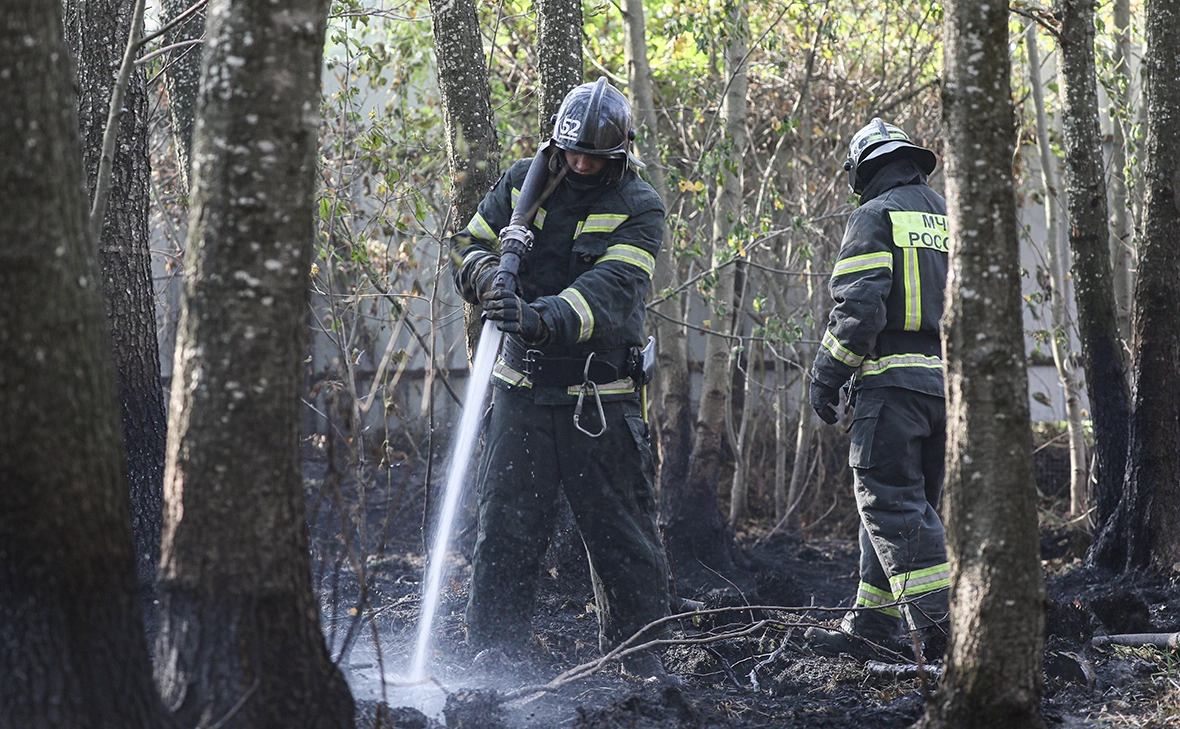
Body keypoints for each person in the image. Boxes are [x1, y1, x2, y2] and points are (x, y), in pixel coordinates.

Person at [450, 78, 676, 682]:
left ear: (620, 153)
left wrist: (539, 317)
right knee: (505, 528)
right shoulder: (525, 180)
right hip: (519, 396)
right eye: (572, 152)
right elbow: (468, 243)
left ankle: (638, 663)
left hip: (597, 401)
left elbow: (612, 291)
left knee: (621, 537)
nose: (579, 165)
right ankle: (495, 660)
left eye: (594, 158)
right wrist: (484, 278)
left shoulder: (639, 204)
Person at [805, 118, 950, 661]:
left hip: (891, 389)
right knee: (905, 507)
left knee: (890, 502)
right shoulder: (946, 215)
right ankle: (874, 623)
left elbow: (859, 309)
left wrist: (826, 375)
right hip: (944, 390)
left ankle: (940, 627)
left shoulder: (874, 215)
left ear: (863, 171)